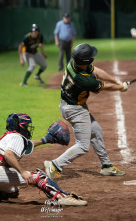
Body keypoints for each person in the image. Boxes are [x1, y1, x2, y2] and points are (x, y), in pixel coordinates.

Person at [44, 43, 129, 179]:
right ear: (86, 61)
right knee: (83, 146)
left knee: (96, 131)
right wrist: (120, 88)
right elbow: (104, 87)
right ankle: (55, 165)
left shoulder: (74, 62)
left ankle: (106, 165)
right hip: (75, 110)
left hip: (69, 105)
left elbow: (96, 71)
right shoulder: (83, 79)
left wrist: (117, 81)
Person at [0, 113, 87, 206]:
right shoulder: (17, 137)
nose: (29, 129)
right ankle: (62, 197)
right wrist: (23, 172)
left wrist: (45, 140)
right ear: (21, 126)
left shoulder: (8, 137)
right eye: (27, 126)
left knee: (13, 191)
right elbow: (9, 154)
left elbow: (26, 145)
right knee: (38, 177)